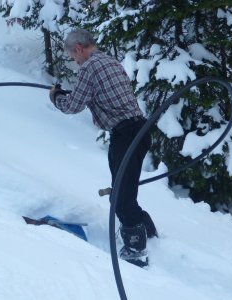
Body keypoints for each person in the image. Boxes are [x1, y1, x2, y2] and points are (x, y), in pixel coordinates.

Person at [49, 28, 157, 267]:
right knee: (124, 190)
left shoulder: (88, 67)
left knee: (120, 197)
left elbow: (72, 106)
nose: (74, 62)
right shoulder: (108, 61)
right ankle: (148, 231)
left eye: (72, 56)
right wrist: (68, 93)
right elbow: (95, 95)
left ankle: (136, 252)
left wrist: (55, 97)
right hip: (138, 131)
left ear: (79, 48)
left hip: (126, 136)